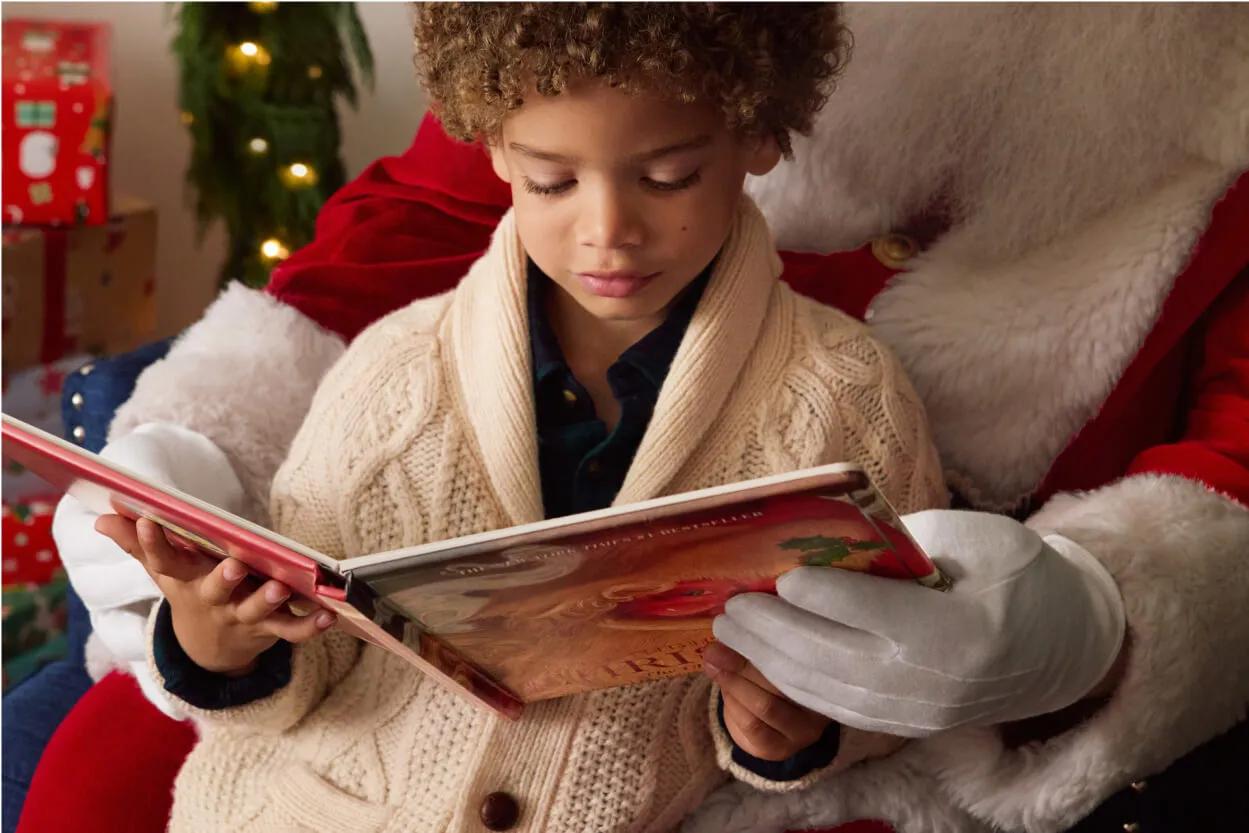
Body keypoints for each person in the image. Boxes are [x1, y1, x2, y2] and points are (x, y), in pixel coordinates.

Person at [35, 4, 1248, 833]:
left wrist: (794, 730)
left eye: (666, 177)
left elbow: (865, 680)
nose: (605, 229)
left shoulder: (842, 396)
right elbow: (301, 657)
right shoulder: (395, 375)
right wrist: (214, 629)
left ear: (758, 143)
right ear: (504, 154)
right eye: (550, 182)